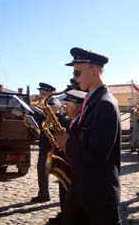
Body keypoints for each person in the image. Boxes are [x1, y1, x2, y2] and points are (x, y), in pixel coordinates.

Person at [61, 47, 122, 225]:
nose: (74, 78)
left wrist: (68, 142)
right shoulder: (93, 100)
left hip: (98, 194)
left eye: (77, 72)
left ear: (94, 71)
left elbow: (98, 155)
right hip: (83, 187)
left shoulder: (105, 104)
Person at [51, 88, 87, 225]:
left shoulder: (81, 124)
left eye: (68, 105)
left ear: (78, 107)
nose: (65, 107)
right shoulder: (73, 121)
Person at [30, 82, 56, 203]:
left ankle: (44, 194)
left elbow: (51, 120)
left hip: (50, 141)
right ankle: (43, 193)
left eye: (43, 92)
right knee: (41, 168)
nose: (41, 94)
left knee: (43, 167)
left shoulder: (53, 103)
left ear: (49, 92)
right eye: (40, 91)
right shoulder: (45, 103)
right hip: (45, 140)